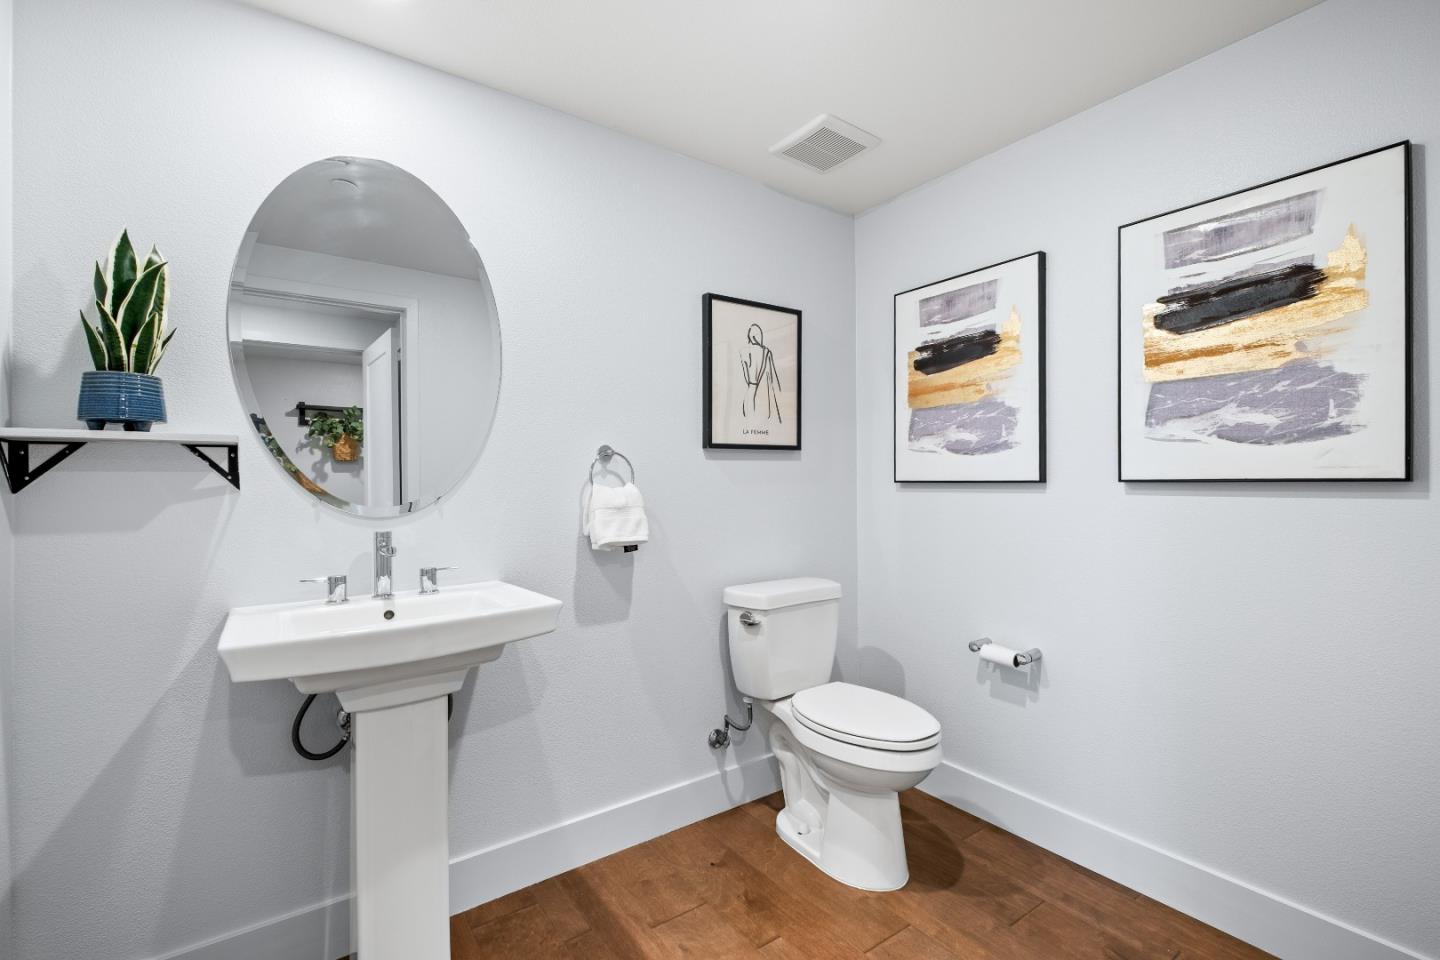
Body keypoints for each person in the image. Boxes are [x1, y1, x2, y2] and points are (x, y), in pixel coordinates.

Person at [740, 323, 782, 422]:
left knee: (749, 420)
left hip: (750, 389)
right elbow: (771, 376)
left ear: (750, 336)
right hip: (762, 392)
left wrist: (752, 383)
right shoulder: (767, 351)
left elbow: (746, 376)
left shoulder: (743, 351)